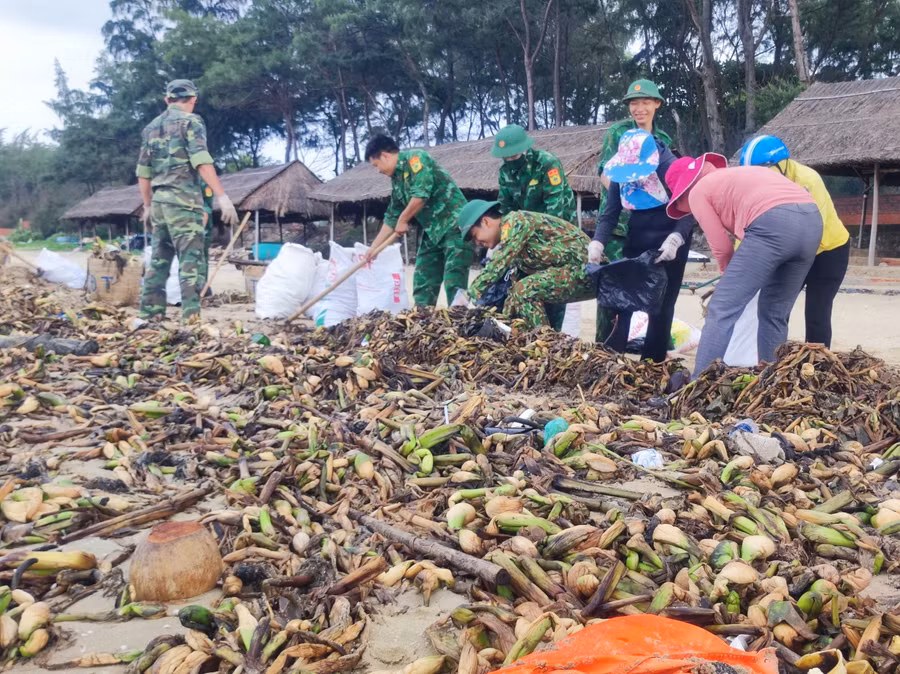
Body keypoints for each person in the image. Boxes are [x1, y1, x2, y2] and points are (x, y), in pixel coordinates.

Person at [665, 154, 823, 375]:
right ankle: (772, 385)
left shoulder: (699, 191)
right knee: (774, 312)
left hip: (772, 222)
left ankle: (697, 385)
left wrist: (725, 280)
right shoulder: (740, 174)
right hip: (812, 222)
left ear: (684, 193)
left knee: (721, 309)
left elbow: (721, 246)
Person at [136, 79, 239, 322]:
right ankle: (190, 321)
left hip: (160, 205)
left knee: (159, 263)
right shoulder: (192, 122)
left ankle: (150, 318)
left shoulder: (150, 128)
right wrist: (222, 197)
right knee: (190, 264)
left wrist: (148, 205)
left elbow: (143, 172)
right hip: (184, 205)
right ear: (193, 100)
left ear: (167, 100)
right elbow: (201, 160)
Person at [590, 129, 694, 362]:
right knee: (623, 297)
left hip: (670, 233)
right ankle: (614, 357)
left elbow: (689, 209)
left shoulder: (669, 166)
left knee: (662, 304)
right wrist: (597, 242)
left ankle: (652, 361)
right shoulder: (620, 170)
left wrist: (676, 239)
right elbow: (610, 213)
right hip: (638, 230)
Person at [739, 135, 850, 347]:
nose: (757, 180)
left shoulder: (808, 180)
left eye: (761, 173)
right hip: (790, 248)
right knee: (776, 308)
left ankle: (817, 367)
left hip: (828, 251)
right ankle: (776, 360)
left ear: (781, 165)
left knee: (817, 312)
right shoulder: (756, 186)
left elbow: (813, 228)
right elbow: (747, 229)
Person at [594, 79, 675, 344]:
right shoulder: (618, 134)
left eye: (644, 103)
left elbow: (671, 185)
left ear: (656, 105)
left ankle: (648, 350)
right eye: (633, 103)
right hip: (620, 225)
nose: (638, 108)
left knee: (653, 291)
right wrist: (627, 198)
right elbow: (608, 173)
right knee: (615, 293)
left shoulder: (662, 140)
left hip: (654, 224)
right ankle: (605, 346)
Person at [364, 135, 472, 307]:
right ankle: (421, 322)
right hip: (433, 232)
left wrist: (403, 220)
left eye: (376, 165)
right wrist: (374, 248)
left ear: (384, 156)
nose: (378, 170)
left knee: (454, 279)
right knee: (423, 278)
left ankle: (459, 323)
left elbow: (421, 195)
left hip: (454, 225)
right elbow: (392, 216)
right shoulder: (397, 180)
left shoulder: (417, 158)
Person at [492, 123, 577, 330]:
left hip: (556, 237)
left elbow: (556, 209)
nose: (511, 160)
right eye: (506, 156)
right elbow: (507, 209)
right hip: (527, 237)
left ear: (524, 148)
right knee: (523, 287)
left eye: (513, 155)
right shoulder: (505, 173)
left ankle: (553, 335)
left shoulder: (547, 164)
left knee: (554, 287)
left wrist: (538, 241)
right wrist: (507, 242)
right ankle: (529, 334)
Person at [458, 200, 594, 329]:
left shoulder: (516, 222)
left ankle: (544, 342)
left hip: (587, 270)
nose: (477, 243)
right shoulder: (509, 238)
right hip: (568, 273)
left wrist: (468, 295)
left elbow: (498, 264)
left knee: (525, 290)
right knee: (512, 300)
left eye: (475, 236)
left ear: (486, 222)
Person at [198, 181, 214, 294]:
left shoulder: (203, 183)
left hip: (201, 231)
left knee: (200, 259)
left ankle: (202, 287)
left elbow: (205, 210)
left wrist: (200, 230)